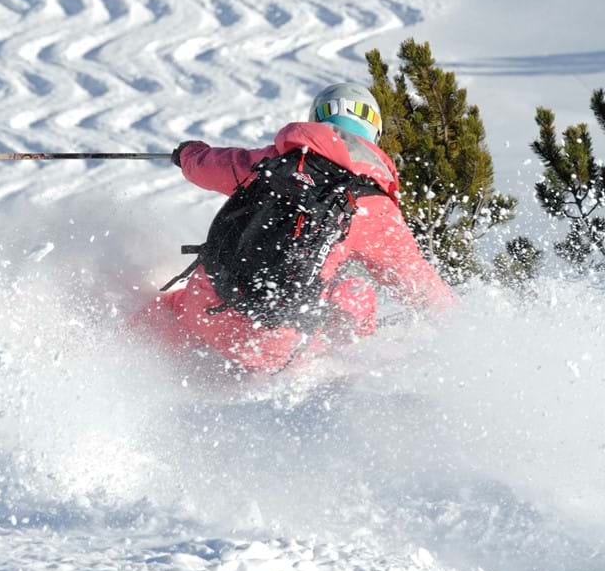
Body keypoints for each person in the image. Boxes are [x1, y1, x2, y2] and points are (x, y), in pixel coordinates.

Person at [132, 82, 454, 373]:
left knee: (169, 312)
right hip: (270, 344)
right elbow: (421, 287)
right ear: (375, 135)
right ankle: (332, 372)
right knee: (356, 292)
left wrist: (188, 153)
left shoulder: (275, 161)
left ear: (316, 120)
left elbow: (208, 166)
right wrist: (466, 327)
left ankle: (113, 349)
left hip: (205, 306)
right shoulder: (373, 206)